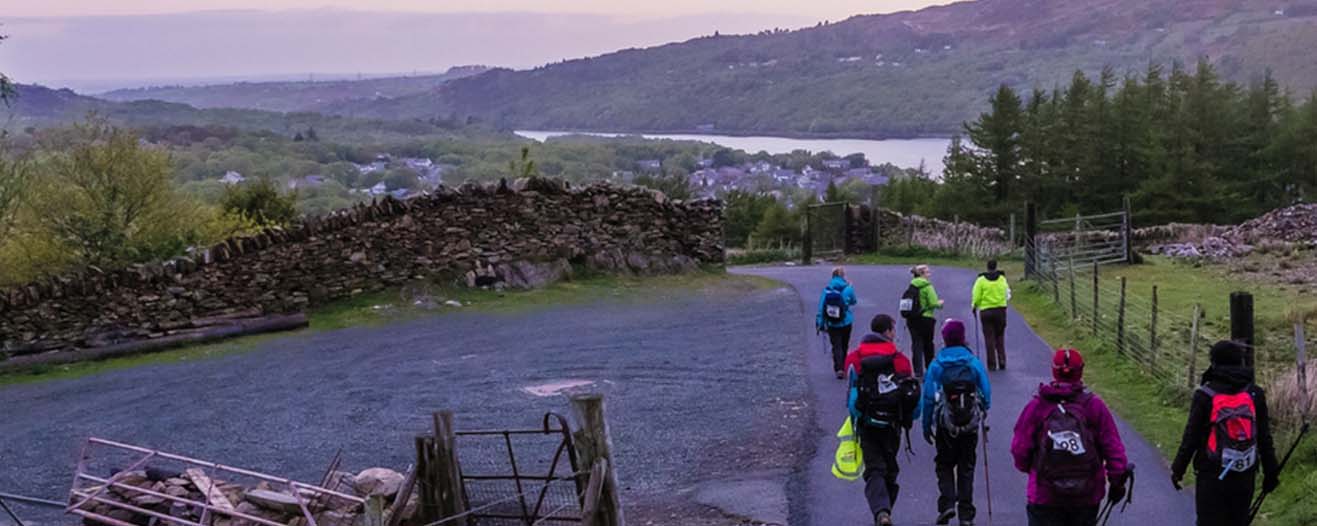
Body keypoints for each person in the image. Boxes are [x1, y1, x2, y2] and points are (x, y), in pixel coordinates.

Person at [1010, 348, 1130, 526]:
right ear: (1081, 371)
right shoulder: (1094, 406)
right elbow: (1113, 448)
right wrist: (1116, 481)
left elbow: (1019, 450)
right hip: (1086, 496)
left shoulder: (1037, 407)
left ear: (1054, 370)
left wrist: (1036, 470)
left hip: (1045, 496)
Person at [1171, 340, 1280, 526]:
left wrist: (1178, 469)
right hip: (1245, 474)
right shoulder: (1255, 393)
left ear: (1213, 362)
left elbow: (1191, 437)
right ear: (1240, 362)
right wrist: (1271, 472)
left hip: (1211, 475)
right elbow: (1264, 437)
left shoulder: (1205, 395)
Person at [845, 314, 920, 526]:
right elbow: (910, 391)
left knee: (874, 468)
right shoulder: (900, 359)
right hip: (893, 423)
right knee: (889, 468)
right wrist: (910, 418)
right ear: (887, 332)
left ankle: (881, 512)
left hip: (868, 422)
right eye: (893, 330)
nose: (894, 335)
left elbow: (852, 395)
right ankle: (884, 511)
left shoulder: (855, 357)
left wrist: (856, 417)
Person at [921, 319, 991, 526]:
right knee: (966, 467)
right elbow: (986, 392)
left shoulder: (937, 364)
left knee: (944, 464)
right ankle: (966, 515)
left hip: (946, 424)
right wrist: (983, 410)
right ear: (963, 337)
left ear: (944, 338)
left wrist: (927, 426)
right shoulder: (972, 362)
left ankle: (947, 504)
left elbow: (927, 398)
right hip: (969, 423)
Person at [818, 266, 858, 379]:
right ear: (843, 275)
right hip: (846, 321)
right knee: (844, 345)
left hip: (832, 323)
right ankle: (844, 366)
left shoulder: (827, 289)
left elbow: (821, 307)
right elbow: (854, 301)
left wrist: (820, 323)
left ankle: (838, 368)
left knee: (836, 346)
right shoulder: (848, 288)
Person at [905, 264, 945, 377]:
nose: (930, 274)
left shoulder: (911, 286)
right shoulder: (927, 286)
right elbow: (933, 303)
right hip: (926, 318)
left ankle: (918, 370)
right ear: (922, 274)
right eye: (927, 272)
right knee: (928, 344)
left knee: (916, 344)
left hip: (912, 319)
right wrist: (940, 304)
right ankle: (929, 367)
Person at [971, 259, 1011, 370]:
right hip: (1000, 310)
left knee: (989, 338)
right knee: (1000, 336)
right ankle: (1002, 359)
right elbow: (1007, 294)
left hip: (986, 311)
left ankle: (992, 364)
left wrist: (974, 306)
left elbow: (976, 295)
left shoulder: (981, 280)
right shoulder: (1002, 279)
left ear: (987, 267)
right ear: (996, 267)